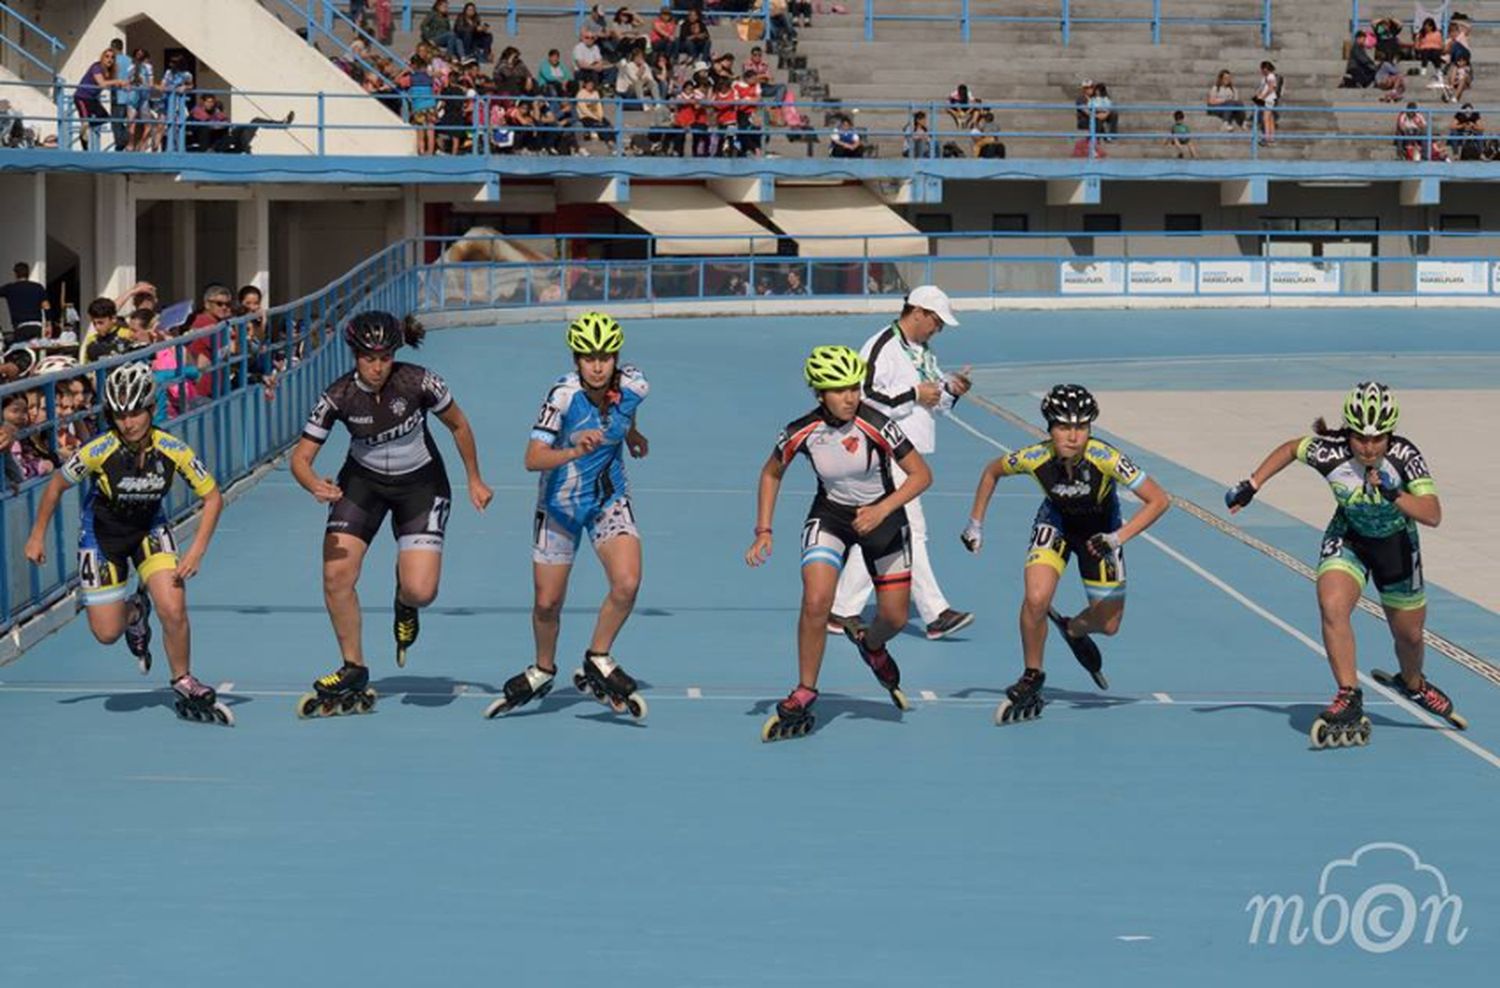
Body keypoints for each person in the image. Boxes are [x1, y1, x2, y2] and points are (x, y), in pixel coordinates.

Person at [1225, 382, 1465, 747]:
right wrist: (1252, 483)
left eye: (1377, 439)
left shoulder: (1405, 456)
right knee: (1332, 605)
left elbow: (1433, 514)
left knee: (1410, 636)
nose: (1369, 447)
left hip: (1397, 547)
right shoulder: (1329, 452)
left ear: (1390, 434)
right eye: (1360, 439)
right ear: (1348, 432)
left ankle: (1413, 684)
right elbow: (1291, 448)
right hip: (1349, 538)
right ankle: (1349, 695)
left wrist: (1394, 493)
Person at [289, 311, 493, 717]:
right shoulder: (338, 396)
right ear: (355, 355)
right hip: (362, 484)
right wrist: (313, 483)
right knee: (335, 574)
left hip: (422, 485)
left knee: (422, 591)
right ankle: (353, 667)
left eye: (384, 357)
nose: (377, 366)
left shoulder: (419, 382)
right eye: (368, 358)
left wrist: (474, 478)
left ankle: (404, 601)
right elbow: (301, 459)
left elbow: (459, 426)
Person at [22, 363, 232, 724]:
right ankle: (135, 612)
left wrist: (196, 551)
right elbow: (57, 485)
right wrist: (37, 534)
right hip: (102, 535)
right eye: (120, 415)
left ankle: (182, 678)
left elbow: (213, 497)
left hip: (149, 529)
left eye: (136, 412)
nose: (128, 422)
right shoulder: (99, 449)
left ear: (151, 409)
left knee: (173, 605)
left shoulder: (172, 448)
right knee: (106, 633)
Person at [747, 345, 931, 741]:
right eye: (839, 390)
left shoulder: (877, 423)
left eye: (854, 387)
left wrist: (882, 510)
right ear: (819, 393)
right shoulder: (801, 431)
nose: (851, 397)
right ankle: (805, 689)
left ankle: (871, 645)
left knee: (895, 618)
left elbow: (920, 475)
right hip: (830, 516)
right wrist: (764, 529)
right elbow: (770, 473)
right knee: (816, 601)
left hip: (882, 517)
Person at [963, 384, 1171, 724]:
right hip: (1056, 523)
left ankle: (1073, 628)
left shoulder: (1107, 457)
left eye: (1082, 427)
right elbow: (991, 471)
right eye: (1064, 427)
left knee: (1110, 624)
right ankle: (1032, 674)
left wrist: (1117, 538)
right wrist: (975, 524)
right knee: (1036, 598)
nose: (1073, 436)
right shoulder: (1035, 457)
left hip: (1101, 533)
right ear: (1049, 428)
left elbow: (1159, 499)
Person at [484, 313, 650, 719]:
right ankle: (543, 669)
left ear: (616, 359)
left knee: (627, 584)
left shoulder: (635, 386)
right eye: (588, 357)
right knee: (547, 603)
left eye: (605, 357)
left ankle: (598, 656)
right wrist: (575, 448)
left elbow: (625, 414)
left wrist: (632, 436)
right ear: (576, 360)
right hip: (558, 506)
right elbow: (532, 459)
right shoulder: (561, 396)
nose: (597, 365)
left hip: (607, 499)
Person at [831, 285, 973, 640]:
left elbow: (933, 401)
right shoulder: (881, 346)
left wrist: (950, 391)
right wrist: (914, 394)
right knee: (912, 531)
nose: (937, 329)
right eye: (937, 322)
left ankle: (840, 610)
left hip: (909, 452)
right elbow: (861, 396)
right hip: (885, 450)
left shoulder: (921, 351)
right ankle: (935, 612)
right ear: (919, 313)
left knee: (886, 532)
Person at [1, 262, 50, 344]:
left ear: (15, 274)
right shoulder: (38, 287)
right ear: (28, 273)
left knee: (21, 352)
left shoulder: (10, 288)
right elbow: (46, 306)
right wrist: (48, 324)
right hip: (36, 326)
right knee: (34, 350)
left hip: (21, 327)